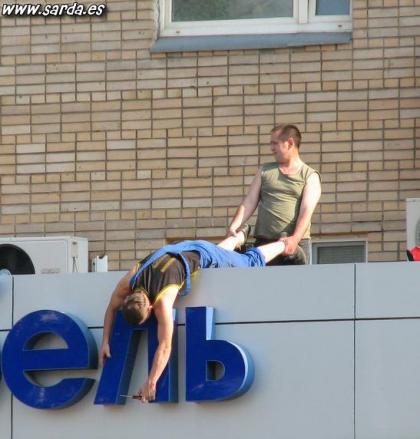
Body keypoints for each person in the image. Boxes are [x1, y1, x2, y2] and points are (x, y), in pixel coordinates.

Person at [99, 227, 287, 402]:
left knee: (248, 262)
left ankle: (285, 244)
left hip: (202, 253)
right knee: (222, 252)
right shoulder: (128, 282)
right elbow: (111, 308)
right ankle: (239, 236)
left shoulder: (162, 301)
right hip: (181, 248)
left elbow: (165, 346)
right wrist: (105, 340)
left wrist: (152, 381)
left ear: (150, 308)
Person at [227, 124, 321, 265]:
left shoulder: (310, 175)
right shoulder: (265, 171)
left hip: (294, 246)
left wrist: (294, 239)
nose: (271, 148)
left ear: (290, 143)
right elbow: (249, 201)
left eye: (275, 143)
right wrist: (234, 226)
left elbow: (306, 211)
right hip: (264, 244)